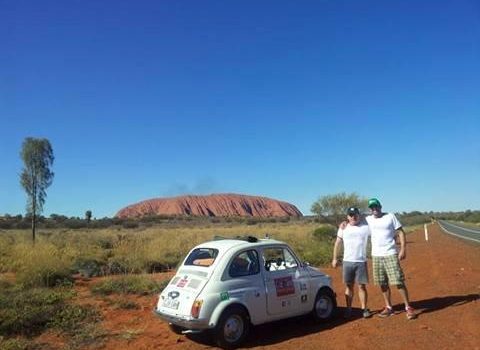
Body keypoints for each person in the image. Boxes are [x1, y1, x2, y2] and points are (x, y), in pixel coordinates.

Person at [366, 198, 416, 319]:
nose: (374, 209)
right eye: (372, 207)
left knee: (398, 281)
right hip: (376, 255)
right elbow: (354, 221)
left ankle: (408, 307)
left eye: (376, 206)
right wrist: (344, 223)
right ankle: (388, 307)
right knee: (382, 283)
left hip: (390, 253)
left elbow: (400, 232)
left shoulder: (390, 216)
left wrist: (403, 249)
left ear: (380, 206)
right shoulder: (367, 219)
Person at [332, 207, 372, 319]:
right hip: (347, 261)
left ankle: (364, 309)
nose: (353, 217)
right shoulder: (343, 228)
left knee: (361, 286)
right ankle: (348, 309)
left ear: (359, 215)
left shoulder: (366, 227)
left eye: (355, 214)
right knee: (349, 286)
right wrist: (335, 258)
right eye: (351, 215)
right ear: (347, 216)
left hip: (361, 261)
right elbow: (337, 243)